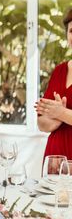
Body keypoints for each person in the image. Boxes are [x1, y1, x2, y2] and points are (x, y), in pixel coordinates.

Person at [37, 8, 72, 161]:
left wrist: (60, 113)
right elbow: (41, 123)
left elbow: (55, 113)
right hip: (53, 161)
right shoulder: (59, 70)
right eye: (71, 31)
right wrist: (58, 117)